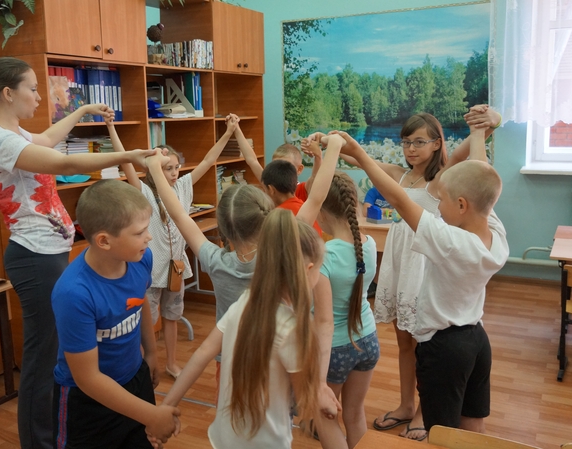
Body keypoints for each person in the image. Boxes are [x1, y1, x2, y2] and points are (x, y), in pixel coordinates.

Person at [0, 57, 156, 449]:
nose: (39, 97)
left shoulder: (13, 135)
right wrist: (127, 156)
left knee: (51, 351)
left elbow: (48, 139)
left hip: (46, 252)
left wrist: (83, 110)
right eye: (33, 89)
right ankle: (40, 441)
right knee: (44, 360)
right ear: (8, 93)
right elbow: (65, 161)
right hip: (34, 257)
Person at [337, 105, 501, 441]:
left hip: (425, 261)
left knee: (425, 341)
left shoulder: (444, 177)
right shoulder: (400, 173)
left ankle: (425, 412)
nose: (411, 149)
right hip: (400, 259)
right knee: (403, 340)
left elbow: (475, 164)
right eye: (406, 142)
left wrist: (491, 123)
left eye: (419, 142)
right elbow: (359, 162)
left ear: (437, 143)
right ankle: (406, 404)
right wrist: (333, 144)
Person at [161, 207, 345, 449]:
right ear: (309, 270)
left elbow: (202, 353)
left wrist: (166, 406)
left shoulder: (244, 302)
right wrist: (321, 397)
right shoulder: (290, 329)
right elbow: (310, 406)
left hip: (225, 441)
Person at [51, 180, 180, 449]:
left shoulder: (140, 259)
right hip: (87, 404)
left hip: (134, 379)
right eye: (140, 232)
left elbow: (139, 303)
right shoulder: (74, 293)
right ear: (104, 241)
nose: (149, 238)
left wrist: (151, 353)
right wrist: (151, 415)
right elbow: (88, 379)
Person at [119, 113, 239, 379]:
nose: (174, 173)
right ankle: (141, 365)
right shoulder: (145, 191)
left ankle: (172, 363)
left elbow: (208, 160)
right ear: (154, 170)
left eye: (176, 167)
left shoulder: (183, 186)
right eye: (168, 168)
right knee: (147, 322)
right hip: (152, 271)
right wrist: (111, 128)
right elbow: (126, 163)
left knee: (172, 316)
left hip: (175, 268)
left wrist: (229, 132)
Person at [299, 135, 379, 449]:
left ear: (322, 212)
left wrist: (319, 381)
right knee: (355, 414)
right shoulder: (368, 245)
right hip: (368, 339)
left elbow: (324, 320)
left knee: (326, 421)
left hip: (335, 350)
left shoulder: (326, 256)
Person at [260, 159, 323, 235]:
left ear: (271, 190)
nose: (264, 193)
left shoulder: (276, 217)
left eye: (264, 190)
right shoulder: (305, 208)